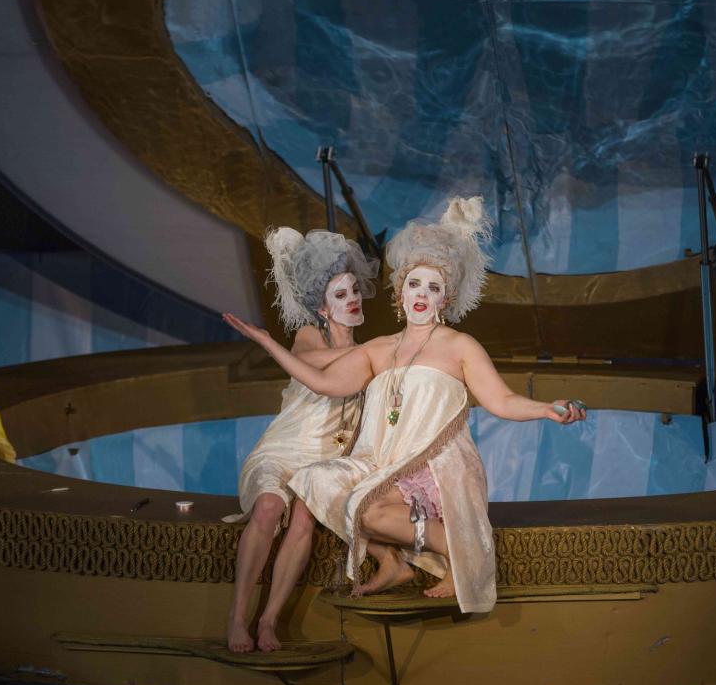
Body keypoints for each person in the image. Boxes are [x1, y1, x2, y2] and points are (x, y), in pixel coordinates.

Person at [223, 197, 585, 614]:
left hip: (433, 464)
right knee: (316, 483)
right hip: (383, 465)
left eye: (433, 287)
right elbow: (320, 381)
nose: (422, 294)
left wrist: (545, 409)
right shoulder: (381, 349)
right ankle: (411, 558)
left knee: (364, 507)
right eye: (415, 284)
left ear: (444, 299)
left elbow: (501, 400)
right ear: (401, 290)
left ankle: (458, 555)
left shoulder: (460, 346)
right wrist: (267, 342)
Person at [224, 228, 377, 653]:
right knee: (269, 507)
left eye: (354, 291)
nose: (353, 300)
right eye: (341, 295)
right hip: (283, 449)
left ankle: (268, 621)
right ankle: (237, 618)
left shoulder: (370, 354)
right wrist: (373, 353)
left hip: (325, 460)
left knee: (306, 514)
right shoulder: (312, 337)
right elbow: (307, 361)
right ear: (323, 308)